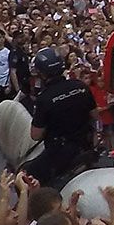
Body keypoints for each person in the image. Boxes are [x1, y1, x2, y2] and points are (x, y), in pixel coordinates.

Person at [23, 46, 96, 186]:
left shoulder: (44, 98)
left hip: (59, 151)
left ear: (42, 73)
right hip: (86, 145)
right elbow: (95, 115)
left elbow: (36, 135)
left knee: (26, 176)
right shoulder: (80, 85)